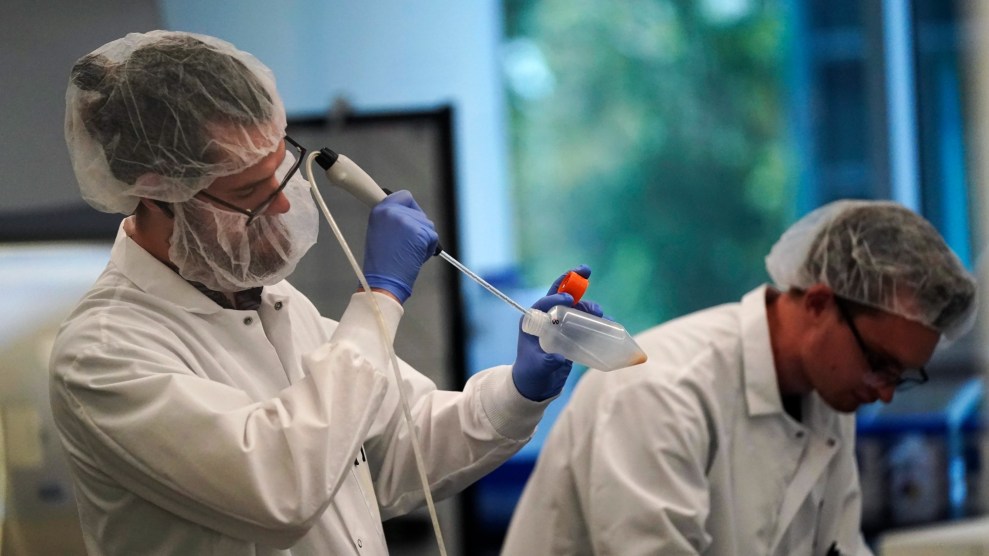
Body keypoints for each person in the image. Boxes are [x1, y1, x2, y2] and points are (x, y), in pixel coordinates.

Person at [51, 30, 601, 555]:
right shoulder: (104, 353)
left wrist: (519, 393)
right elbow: (282, 491)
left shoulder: (275, 302)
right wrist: (380, 299)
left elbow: (398, 453)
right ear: (155, 194)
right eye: (248, 191)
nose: (285, 205)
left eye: (279, 173)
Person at [501, 200, 977, 556]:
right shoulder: (661, 391)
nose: (886, 392)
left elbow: (839, 545)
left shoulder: (829, 394)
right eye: (879, 361)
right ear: (818, 303)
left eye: (903, 375)